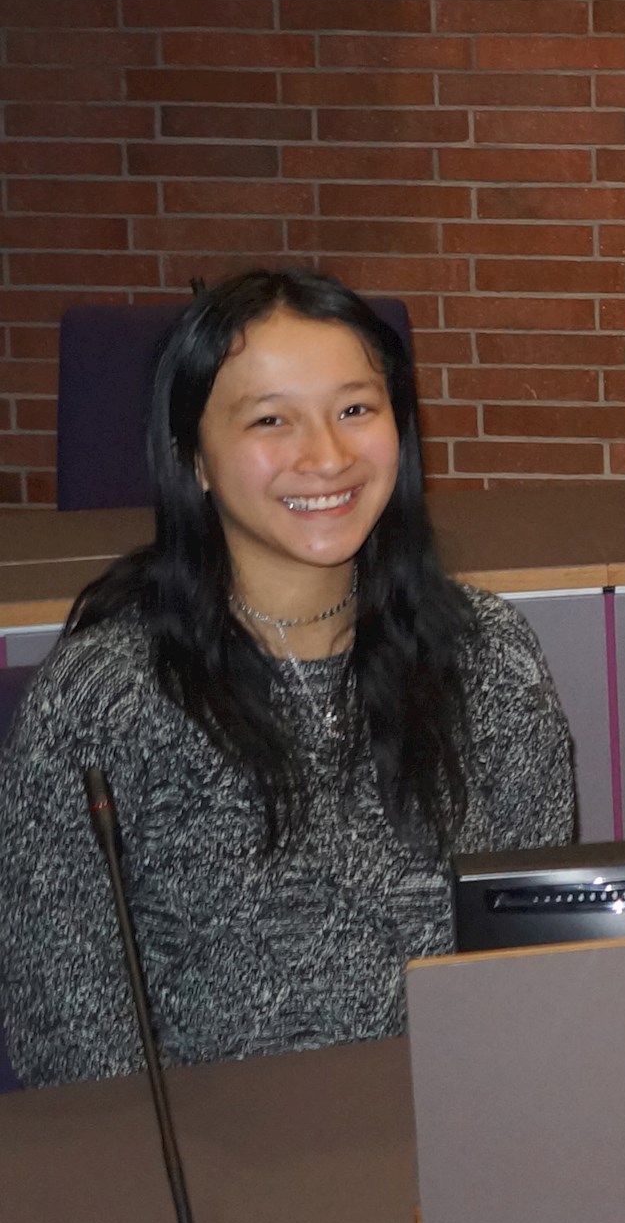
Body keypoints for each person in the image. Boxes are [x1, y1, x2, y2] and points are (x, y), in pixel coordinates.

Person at [0, 273, 577, 1081]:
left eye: (355, 409)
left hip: (456, 1145)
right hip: (212, 1177)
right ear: (192, 455)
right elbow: (67, 1027)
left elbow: (537, 964)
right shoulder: (105, 697)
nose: (328, 456)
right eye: (272, 419)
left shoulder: (488, 657)